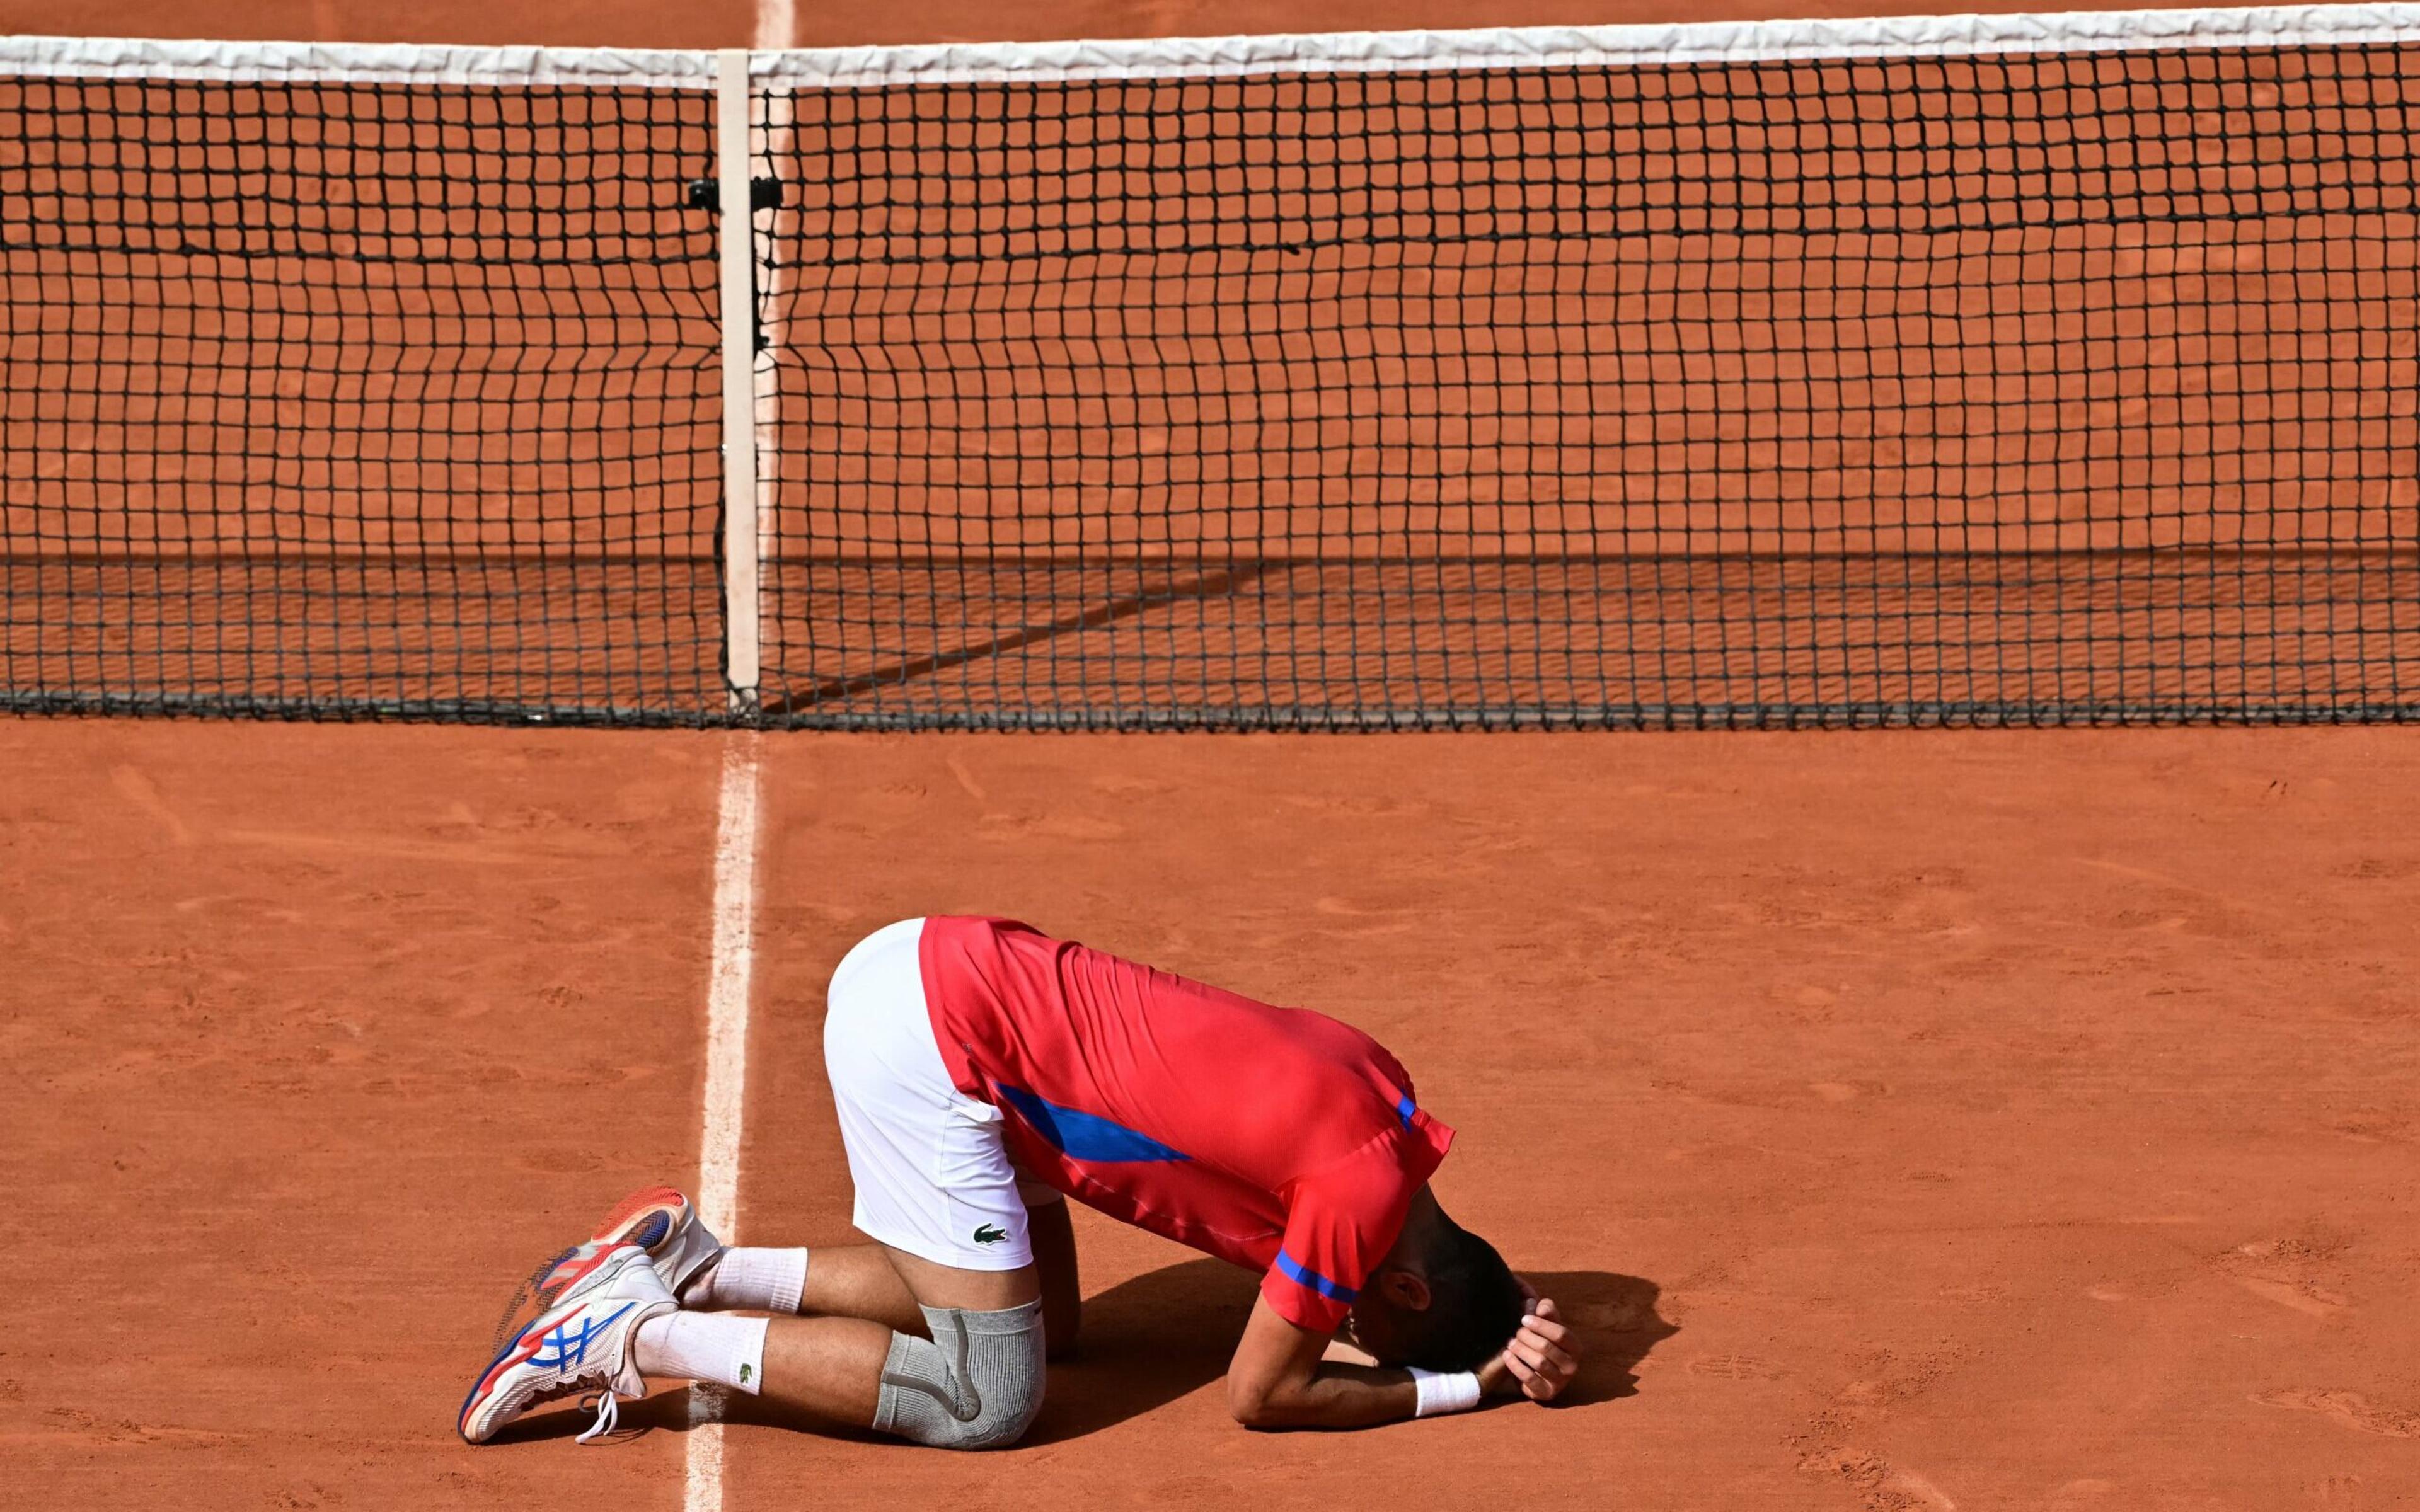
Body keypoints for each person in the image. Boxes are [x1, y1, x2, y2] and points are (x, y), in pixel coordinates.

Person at [460, 916, 1581, 1446]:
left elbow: (1438, 1279)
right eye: (1367, 1330)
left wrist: (1507, 1311)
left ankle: (701, 1268)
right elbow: (1263, 1395)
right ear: (1410, 1292)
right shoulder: (1357, 1209)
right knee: (987, 1398)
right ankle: (633, 1337)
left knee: (1045, 1331)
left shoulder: (1387, 1102)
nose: (1339, 1328)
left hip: (964, 978)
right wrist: (1466, 1386)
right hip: (946, 1052)